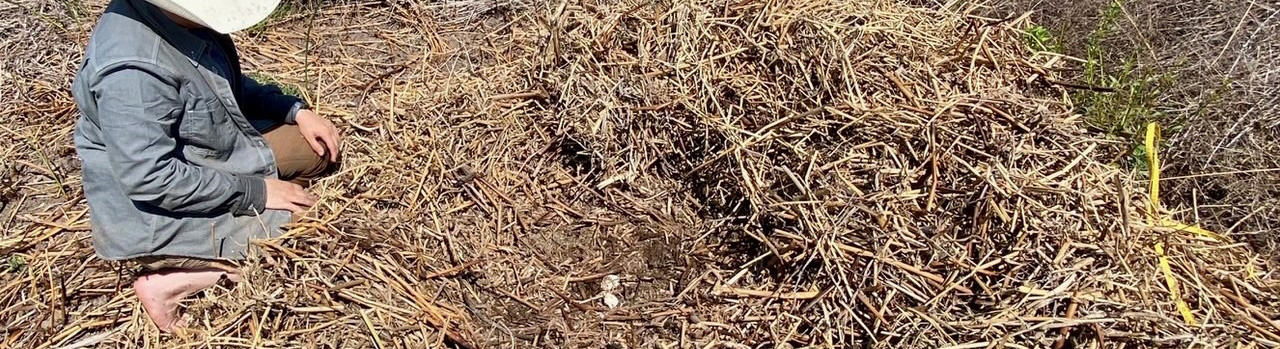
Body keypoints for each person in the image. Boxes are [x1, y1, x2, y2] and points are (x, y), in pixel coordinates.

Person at [71, 0, 342, 332]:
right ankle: (170, 283)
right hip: (154, 211)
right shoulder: (133, 72)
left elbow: (227, 86)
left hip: (206, 151)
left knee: (314, 151)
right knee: (311, 227)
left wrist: (294, 110)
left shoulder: (180, 23)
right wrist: (254, 192)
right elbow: (150, 179)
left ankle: (261, 212)